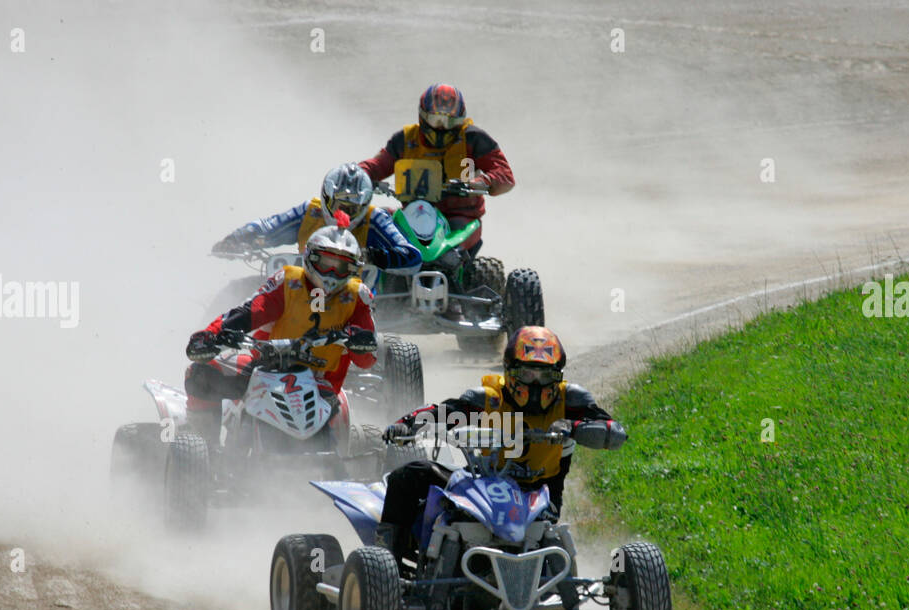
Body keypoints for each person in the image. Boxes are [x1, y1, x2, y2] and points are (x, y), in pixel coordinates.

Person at [377, 327, 626, 563]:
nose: (537, 385)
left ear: (558, 375)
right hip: (483, 486)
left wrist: (573, 428)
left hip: (540, 495)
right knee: (407, 477)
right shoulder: (489, 399)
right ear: (511, 371)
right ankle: (388, 563)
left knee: (552, 541)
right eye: (528, 374)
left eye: (545, 375)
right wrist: (407, 424)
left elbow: (614, 432)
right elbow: (445, 412)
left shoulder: (571, 400)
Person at [185, 223, 378, 450]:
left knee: (335, 428)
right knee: (201, 373)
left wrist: (359, 340)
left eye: (341, 267)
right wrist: (211, 334)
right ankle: (203, 451)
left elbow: (367, 360)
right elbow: (250, 312)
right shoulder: (288, 281)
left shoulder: (358, 296)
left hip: (320, 381)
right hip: (264, 366)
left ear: (353, 269)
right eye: (326, 263)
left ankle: (333, 467)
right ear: (310, 257)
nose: (332, 273)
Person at [357, 84, 514, 255]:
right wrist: (357, 173)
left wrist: (480, 182)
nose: (442, 127)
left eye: (449, 121)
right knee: (375, 224)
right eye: (436, 120)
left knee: (453, 255)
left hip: (458, 218)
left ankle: (467, 277)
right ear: (423, 116)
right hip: (414, 214)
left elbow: (505, 175)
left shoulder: (474, 139)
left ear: (460, 119)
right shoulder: (405, 139)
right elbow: (378, 165)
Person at [210, 163, 421, 275]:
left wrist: (375, 257)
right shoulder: (310, 211)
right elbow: (268, 227)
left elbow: (412, 257)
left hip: (354, 297)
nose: (345, 213)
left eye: (353, 207)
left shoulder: (375, 219)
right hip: (302, 288)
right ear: (327, 199)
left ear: (364, 204)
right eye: (341, 205)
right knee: (240, 291)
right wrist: (236, 239)